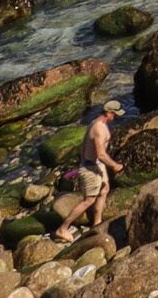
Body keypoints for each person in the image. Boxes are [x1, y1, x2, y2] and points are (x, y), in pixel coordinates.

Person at [56, 100, 123, 239]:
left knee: (104, 189)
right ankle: (62, 228)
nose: (115, 117)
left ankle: (97, 223)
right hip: (91, 167)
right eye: (115, 115)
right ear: (109, 113)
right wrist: (115, 165)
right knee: (89, 200)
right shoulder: (98, 128)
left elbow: (84, 146)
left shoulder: (96, 122)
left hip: (95, 164)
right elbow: (101, 154)